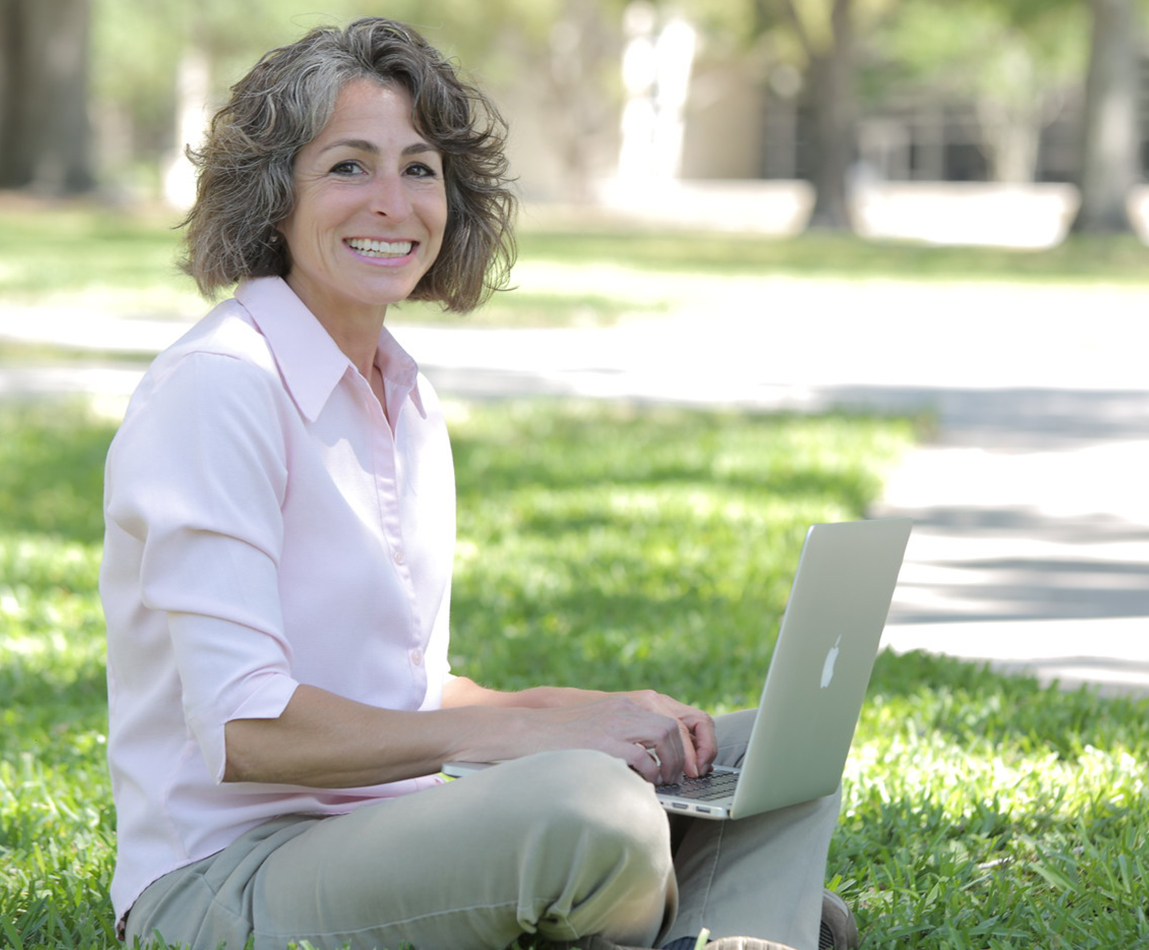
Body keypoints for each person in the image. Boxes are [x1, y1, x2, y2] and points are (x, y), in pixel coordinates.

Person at [101, 17, 858, 950]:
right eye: (348, 167)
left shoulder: (403, 397)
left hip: (393, 835)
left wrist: (583, 713)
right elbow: (246, 728)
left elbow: (415, 693)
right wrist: (521, 746)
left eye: (420, 169)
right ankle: (725, 918)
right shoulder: (219, 388)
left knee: (751, 750)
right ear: (272, 196)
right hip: (228, 879)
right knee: (596, 815)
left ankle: (724, 935)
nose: (393, 202)